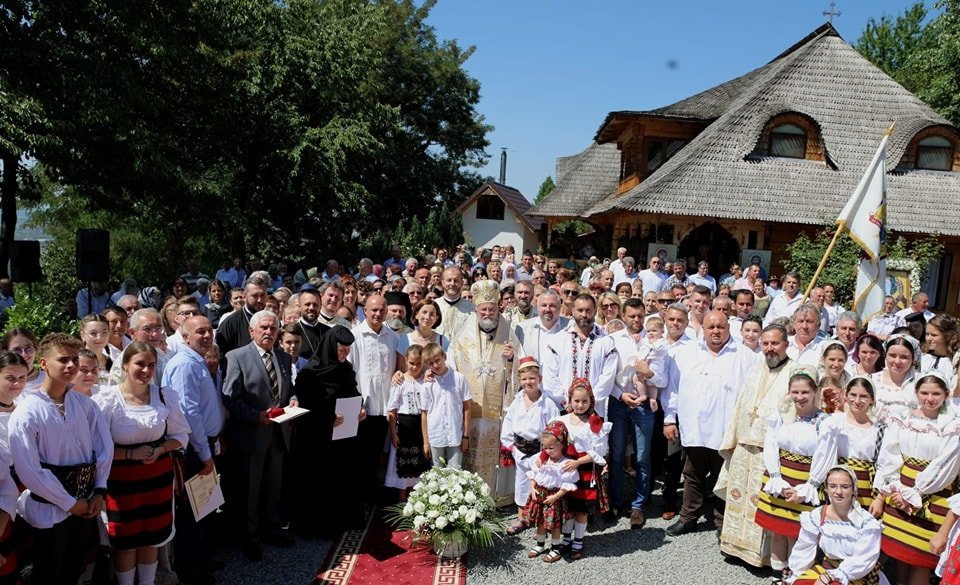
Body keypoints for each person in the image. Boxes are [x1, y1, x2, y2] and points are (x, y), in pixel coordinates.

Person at [9, 333, 113, 584]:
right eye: (63, 360)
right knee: (48, 572)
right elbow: (29, 468)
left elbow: (104, 446)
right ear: (44, 364)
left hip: (86, 502)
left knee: (73, 569)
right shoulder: (28, 410)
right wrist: (68, 502)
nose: (71, 365)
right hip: (50, 509)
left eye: (74, 360)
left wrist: (99, 489)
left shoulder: (85, 405)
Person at [94, 343, 189, 585]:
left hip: (157, 482)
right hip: (121, 485)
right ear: (125, 364)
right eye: (140, 364)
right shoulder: (107, 400)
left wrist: (160, 449)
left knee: (152, 538)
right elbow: (97, 449)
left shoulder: (164, 396)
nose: (146, 370)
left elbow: (180, 436)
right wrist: (130, 454)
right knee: (125, 543)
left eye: (151, 365)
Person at [663, 311, 760, 536]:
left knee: (724, 476)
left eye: (720, 327)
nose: (716, 331)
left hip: (727, 431)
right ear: (703, 329)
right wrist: (669, 419)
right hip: (694, 427)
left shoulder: (746, 357)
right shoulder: (686, 354)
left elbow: (752, 396)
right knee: (692, 474)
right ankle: (688, 517)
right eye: (711, 327)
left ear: (729, 328)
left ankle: (723, 522)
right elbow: (672, 389)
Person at [222, 310, 297, 562]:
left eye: (273, 328)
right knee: (250, 491)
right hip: (251, 435)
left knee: (274, 486)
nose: (268, 332)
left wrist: (294, 398)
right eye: (263, 328)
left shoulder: (283, 357)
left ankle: (273, 530)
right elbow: (230, 398)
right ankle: (250, 539)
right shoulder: (236, 357)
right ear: (251, 331)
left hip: (278, 433)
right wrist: (256, 416)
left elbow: (288, 389)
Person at [871, 371, 960, 584]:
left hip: (933, 494)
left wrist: (916, 492)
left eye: (936, 393)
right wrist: (894, 489)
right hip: (900, 490)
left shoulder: (952, 426)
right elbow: (890, 455)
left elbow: (946, 464)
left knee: (921, 558)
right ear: (916, 392)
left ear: (946, 394)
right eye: (924, 393)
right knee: (902, 553)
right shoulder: (902, 419)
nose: (930, 398)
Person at [715, 324, 793, 567]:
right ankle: (733, 547)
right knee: (738, 497)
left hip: (769, 451)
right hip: (743, 447)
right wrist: (731, 439)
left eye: (775, 343)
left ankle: (761, 556)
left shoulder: (794, 372)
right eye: (765, 343)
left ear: (786, 344)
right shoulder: (755, 368)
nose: (770, 348)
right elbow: (740, 403)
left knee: (761, 501)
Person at [160, 316, 223, 584]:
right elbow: (189, 414)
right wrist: (205, 453)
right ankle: (192, 570)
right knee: (191, 512)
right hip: (194, 450)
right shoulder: (185, 364)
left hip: (205, 444)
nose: (207, 336)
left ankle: (202, 559)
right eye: (200, 332)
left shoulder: (196, 360)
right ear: (185, 337)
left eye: (209, 330)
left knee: (204, 506)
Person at [755, 367, 829, 578]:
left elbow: (825, 456)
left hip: (805, 480)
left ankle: (795, 576)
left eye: (805, 392)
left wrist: (809, 487)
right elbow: (771, 445)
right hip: (780, 477)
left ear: (815, 392)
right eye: (795, 392)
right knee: (778, 531)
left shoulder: (823, 422)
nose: (799, 397)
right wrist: (776, 478)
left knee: (798, 532)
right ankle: (778, 574)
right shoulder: (780, 416)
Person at [292, 326, 366, 536]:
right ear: (331, 348)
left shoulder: (346, 369)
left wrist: (360, 408)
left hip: (342, 436)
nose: (344, 355)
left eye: (347, 351)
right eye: (341, 350)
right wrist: (326, 419)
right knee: (319, 481)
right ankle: (318, 526)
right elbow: (305, 405)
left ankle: (343, 520)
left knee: (342, 479)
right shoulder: (310, 372)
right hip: (317, 438)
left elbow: (353, 392)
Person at [786, 465, 887, 585]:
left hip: (854, 575)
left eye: (845, 487)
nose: (838, 492)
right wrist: (797, 575)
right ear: (826, 489)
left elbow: (863, 559)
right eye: (833, 486)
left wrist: (832, 576)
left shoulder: (866, 523)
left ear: (853, 489)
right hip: (826, 568)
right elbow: (804, 548)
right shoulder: (819, 515)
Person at [500, 356, 560, 536]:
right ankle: (522, 518)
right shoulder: (517, 402)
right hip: (520, 451)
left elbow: (554, 430)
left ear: (539, 379)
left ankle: (541, 522)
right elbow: (508, 424)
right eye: (524, 379)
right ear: (520, 380)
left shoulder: (547, 404)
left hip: (539, 453)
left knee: (542, 486)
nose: (528, 382)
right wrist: (511, 447)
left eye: (532, 378)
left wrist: (547, 454)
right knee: (521, 484)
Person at [553, 380, 612, 560]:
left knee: (581, 510)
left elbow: (599, 451)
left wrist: (578, 462)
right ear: (570, 400)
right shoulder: (561, 421)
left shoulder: (595, 423)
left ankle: (578, 541)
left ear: (590, 401)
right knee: (568, 508)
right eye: (576, 401)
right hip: (566, 470)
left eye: (584, 401)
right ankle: (566, 539)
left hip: (584, 471)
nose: (580, 405)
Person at [809, 377, 879, 511]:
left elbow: (882, 465)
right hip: (834, 487)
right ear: (845, 395)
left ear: (872, 399)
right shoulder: (832, 421)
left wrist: (879, 498)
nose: (857, 401)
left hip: (863, 492)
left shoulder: (879, 430)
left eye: (864, 396)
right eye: (853, 395)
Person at [542, 293, 618, 415]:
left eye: (588, 310)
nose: (584, 315)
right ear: (573, 311)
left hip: (594, 410)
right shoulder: (558, 341)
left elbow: (608, 378)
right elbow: (549, 376)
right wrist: (567, 401)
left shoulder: (606, 342)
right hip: (563, 410)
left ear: (595, 311)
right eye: (580, 310)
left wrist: (588, 401)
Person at [523, 420, 579, 564]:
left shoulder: (564, 464)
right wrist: (533, 489)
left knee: (555, 525)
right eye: (545, 447)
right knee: (540, 522)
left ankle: (555, 548)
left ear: (562, 445)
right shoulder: (541, 460)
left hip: (554, 499)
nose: (547, 451)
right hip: (540, 495)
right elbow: (534, 476)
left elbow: (567, 485)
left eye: (551, 448)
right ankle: (540, 544)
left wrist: (556, 496)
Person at [385, 345, 429, 500]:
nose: (415, 367)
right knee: (403, 468)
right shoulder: (400, 381)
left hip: (420, 428)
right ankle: (402, 503)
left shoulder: (425, 382)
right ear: (405, 360)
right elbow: (392, 410)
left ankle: (414, 502)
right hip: (403, 428)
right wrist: (393, 433)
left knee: (417, 468)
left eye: (418, 363)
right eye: (412, 363)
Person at [872, 334, 920, 424]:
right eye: (892, 356)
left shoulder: (920, 383)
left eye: (904, 357)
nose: (897, 361)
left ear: (914, 359)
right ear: (885, 355)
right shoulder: (872, 380)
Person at [922, 313, 959, 386]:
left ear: (948, 336)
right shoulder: (922, 357)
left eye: (934, 335)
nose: (928, 338)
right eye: (927, 334)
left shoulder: (955, 361)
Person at [80, 314, 112, 382]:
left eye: (104, 333)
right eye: (93, 333)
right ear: (82, 335)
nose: (99, 338)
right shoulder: (76, 362)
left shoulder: (114, 361)